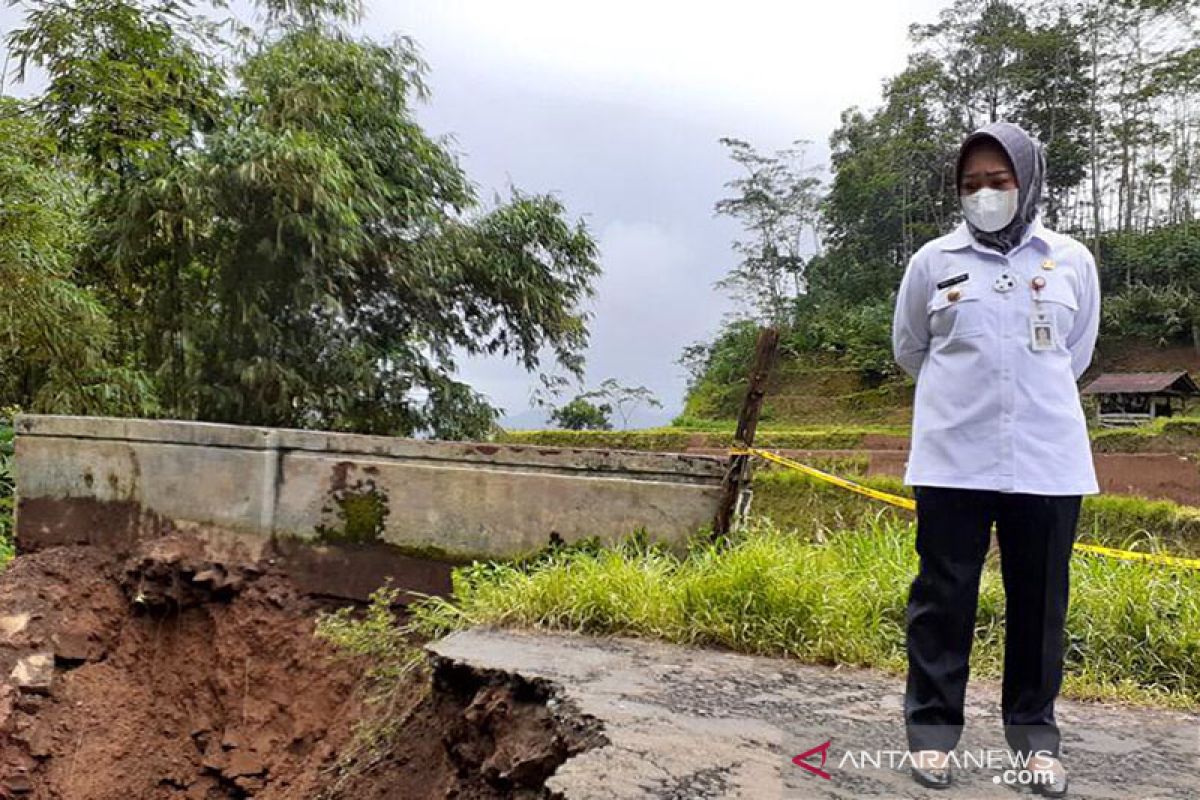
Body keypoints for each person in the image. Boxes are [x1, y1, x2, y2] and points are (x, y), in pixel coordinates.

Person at [891, 120, 1101, 797]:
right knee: (942, 600)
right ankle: (932, 738)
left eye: (998, 181)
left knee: (1040, 605)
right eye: (971, 184)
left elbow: (1078, 353)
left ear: (1028, 181)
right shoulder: (932, 261)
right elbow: (911, 349)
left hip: (1045, 460)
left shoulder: (1070, 260)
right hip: (954, 457)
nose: (984, 194)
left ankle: (1035, 743)